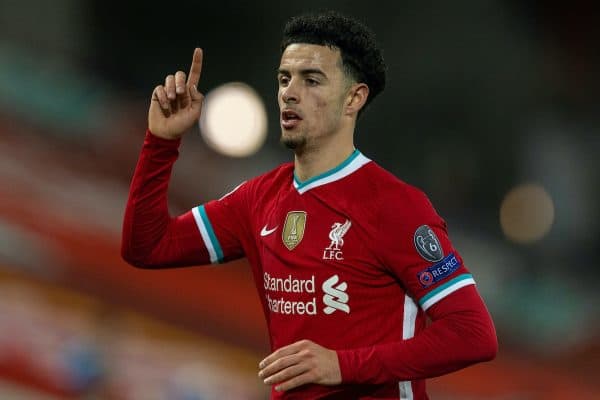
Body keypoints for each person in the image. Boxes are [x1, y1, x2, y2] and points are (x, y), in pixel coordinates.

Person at [122, 11, 497, 400]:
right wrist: (160, 143)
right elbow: (147, 247)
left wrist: (342, 365)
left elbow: (473, 333)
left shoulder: (395, 206)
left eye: (311, 80)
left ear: (354, 97)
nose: (289, 92)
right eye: (284, 78)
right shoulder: (258, 198)